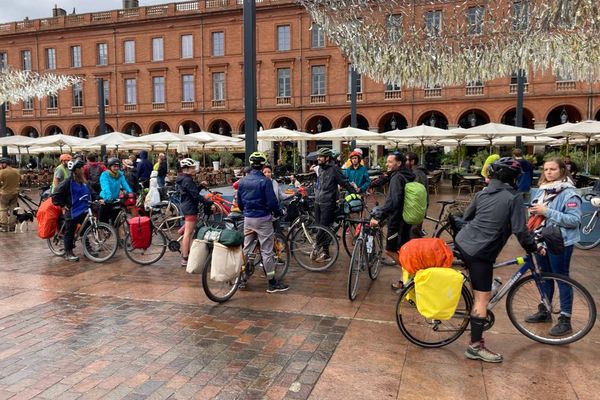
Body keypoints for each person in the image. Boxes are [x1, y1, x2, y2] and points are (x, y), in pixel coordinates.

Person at [455, 157, 539, 363]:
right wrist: (533, 247)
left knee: (480, 284)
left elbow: (466, 217)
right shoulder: (514, 198)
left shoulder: (482, 193)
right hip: (481, 251)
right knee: (481, 300)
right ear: (513, 178)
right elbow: (521, 230)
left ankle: (481, 291)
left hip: (463, 242)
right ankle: (475, 347)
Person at [526, 158, 581, 336]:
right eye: (546, 169)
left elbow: (574, 220)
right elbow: (536, 210)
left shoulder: (570, 193)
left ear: (562, 171)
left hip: (560, 242)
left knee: (561, 278)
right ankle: (545, 310)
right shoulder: (541, 191)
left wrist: (546, 211)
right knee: (544, 276)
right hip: (541, 241)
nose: (548, 172)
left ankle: (565, 319)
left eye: (553, 169)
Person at [237, 152, 289, 293]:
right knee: (267, 252)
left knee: (246, 249)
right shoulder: (265, 181)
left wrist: (247, 211)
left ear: (251, 164)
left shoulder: (242, 181)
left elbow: (240, 203)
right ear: (262, 165)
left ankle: (240, 277)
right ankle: (272, 283)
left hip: (248, 218)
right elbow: (272, 203)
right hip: (263, 219)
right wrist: (278, 212)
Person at [370, 152, 416, 290]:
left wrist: (379, 217)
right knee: (402, 250)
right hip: (405, 219)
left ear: (399, 163)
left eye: (390, 162)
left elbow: (393, 202)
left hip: (397, 220)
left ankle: (412, 274)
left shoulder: (397, 178)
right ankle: (405, 279)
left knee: (390, 250)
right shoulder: (406, 175)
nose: (387, 164)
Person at [313, 148, 355, 263]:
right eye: (318, 157)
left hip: (328, 203)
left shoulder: (334, 169)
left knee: (323, 227)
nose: (318, 159)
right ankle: (325, 253)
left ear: (327, 158)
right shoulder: (320, 169)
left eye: (320, 157)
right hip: (318, 202)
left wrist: (355, 193)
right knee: (320, 228)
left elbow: (344, 182)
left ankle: (317, 248)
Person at [51, 160, 92, 262]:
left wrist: (97, 198)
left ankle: (87, 249)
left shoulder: (84, 182)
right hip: (72, 211)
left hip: (83, 209)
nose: (83, 170)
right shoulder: (67, 182)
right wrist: (62, 205)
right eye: (81, 168)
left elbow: (91, 192)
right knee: (70, 231)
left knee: (85, 229)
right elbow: (55, 195)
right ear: (76, 170)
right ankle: (68, 252)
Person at [177, 158, 208, 267]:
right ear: (187, 169)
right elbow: (195, 195)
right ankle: (185, 257)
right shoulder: (187, 180)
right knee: (188, 234)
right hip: (190, 208)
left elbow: (192, 192)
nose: (195, 169)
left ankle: (183, 230)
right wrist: (207, 202)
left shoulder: (185, 179)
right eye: (193, 167)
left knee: (189, 230)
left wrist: (199, 186)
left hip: (187, 205)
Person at [98, 158, 133, 225]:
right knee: (104, 223)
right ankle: (103, 233)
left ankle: (115, 234)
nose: (116, 168)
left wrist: (130, 193)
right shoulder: (105, 175)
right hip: (105, 199)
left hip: (115, 199)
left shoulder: (120, 174)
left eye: (117, 166)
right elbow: (105, 187)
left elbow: (125, 184)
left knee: (116, 222)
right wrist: (108, 197)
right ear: (109, 167)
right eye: (114, 166)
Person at [405, 152, 429, 238]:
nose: (405, 162)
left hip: (416, 210)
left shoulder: (417, 174)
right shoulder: (415, 172)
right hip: (416, 209)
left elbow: (417, 195)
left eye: (407, 160)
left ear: (412, 161)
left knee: (413, 235)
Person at [0, 157, 21, 232]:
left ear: (5, 164)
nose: (0, 165)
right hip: (15, 193)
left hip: (4, 194)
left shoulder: (2, 172)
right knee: (13, 209)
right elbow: (20, 181)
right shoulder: (17, 171)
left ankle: (4, 227)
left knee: (3, 209)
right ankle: (12, 226)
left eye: (1, 164)